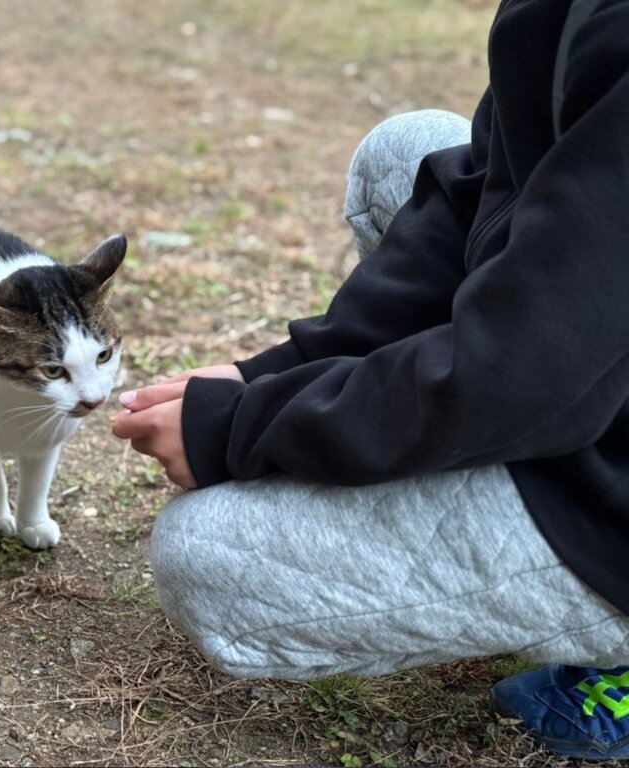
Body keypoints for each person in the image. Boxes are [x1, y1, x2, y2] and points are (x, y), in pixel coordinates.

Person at [111, 0, 629, 760]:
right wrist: (272, 373)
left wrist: (240, 427)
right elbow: (482, 200)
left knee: (208, 557)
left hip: (572, 416)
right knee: (407, 150)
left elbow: (519, 370)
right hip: (576, 369)